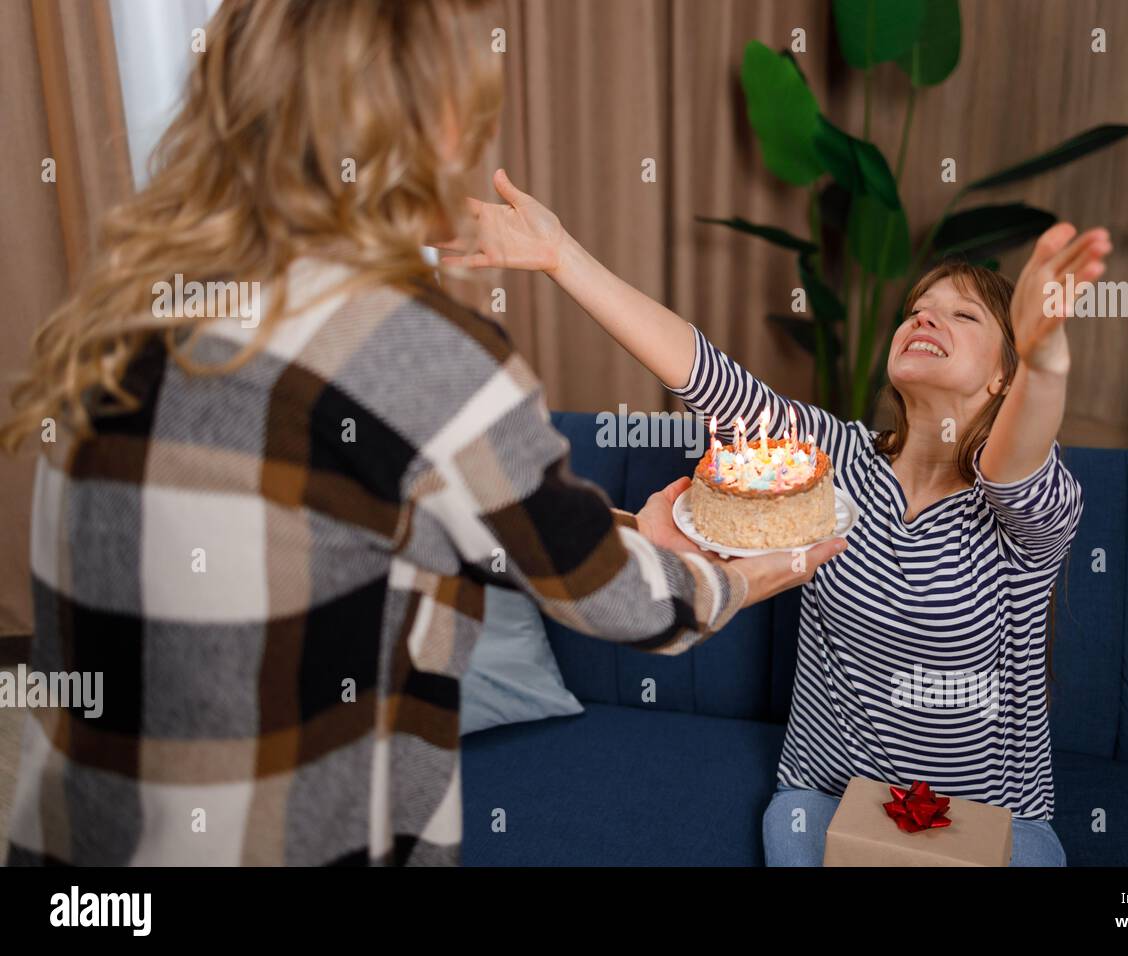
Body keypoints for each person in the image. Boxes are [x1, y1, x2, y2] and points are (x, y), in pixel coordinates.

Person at [0, 0, 843, 866]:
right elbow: (625, 603)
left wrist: (629, 529)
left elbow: (355, 520)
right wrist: (737, 575)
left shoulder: (116, 315)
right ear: (429, 125)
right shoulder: (422, 356)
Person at [438, 167, 1112, 866]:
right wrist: (560, 257)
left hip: (994, 825)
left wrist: (1045, 359)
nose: (924, 318)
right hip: (825, 800)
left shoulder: (1025, 513)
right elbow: (709, 379)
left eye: (963, 315)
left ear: (1003, 374)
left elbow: (1013, 464)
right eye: (918, 308)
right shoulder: (829, 460)